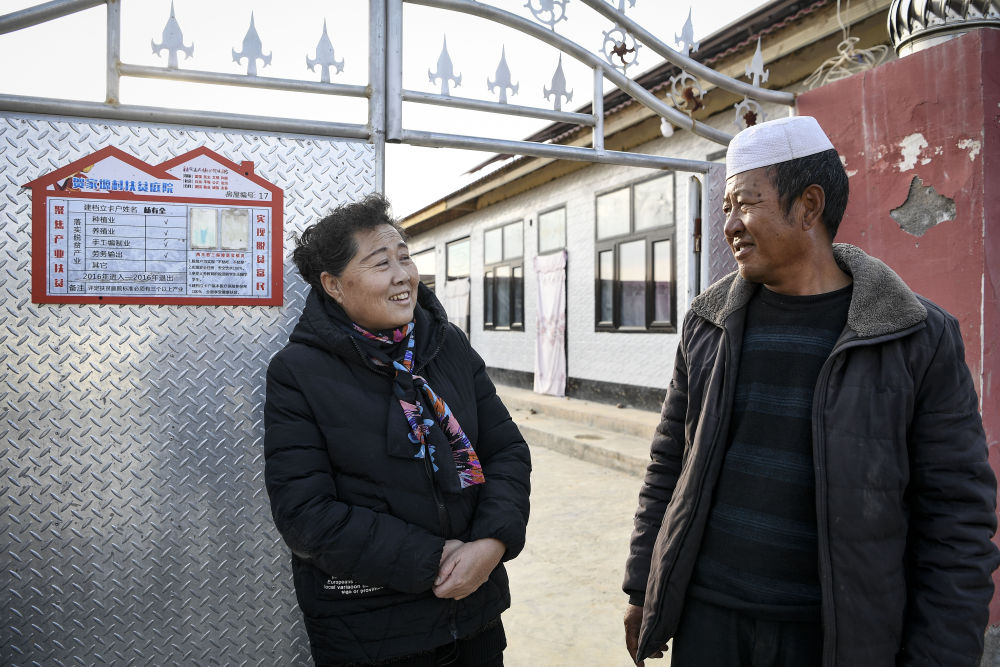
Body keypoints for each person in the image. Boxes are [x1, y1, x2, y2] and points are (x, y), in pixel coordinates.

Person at [622, 116, 998, 667]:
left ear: (809, 206)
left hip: (832, 638)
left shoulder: (914, 336)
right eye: (725, 208)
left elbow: (956, 517)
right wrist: (643, 587)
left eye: (746, 204)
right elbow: (669, 465)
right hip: (708, 624)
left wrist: (939, 654)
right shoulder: (708, 323)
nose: (730, 225)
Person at [264, 194, 531, 666]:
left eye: (405, 257)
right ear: (333, 285)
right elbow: (306, 514)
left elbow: (506, 450)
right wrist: (433, 558)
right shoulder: (299, 371)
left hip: (474, 615)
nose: (402, 275)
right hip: (370, 632)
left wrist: (492, 542)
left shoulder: (447, 346)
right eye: (380, 262)